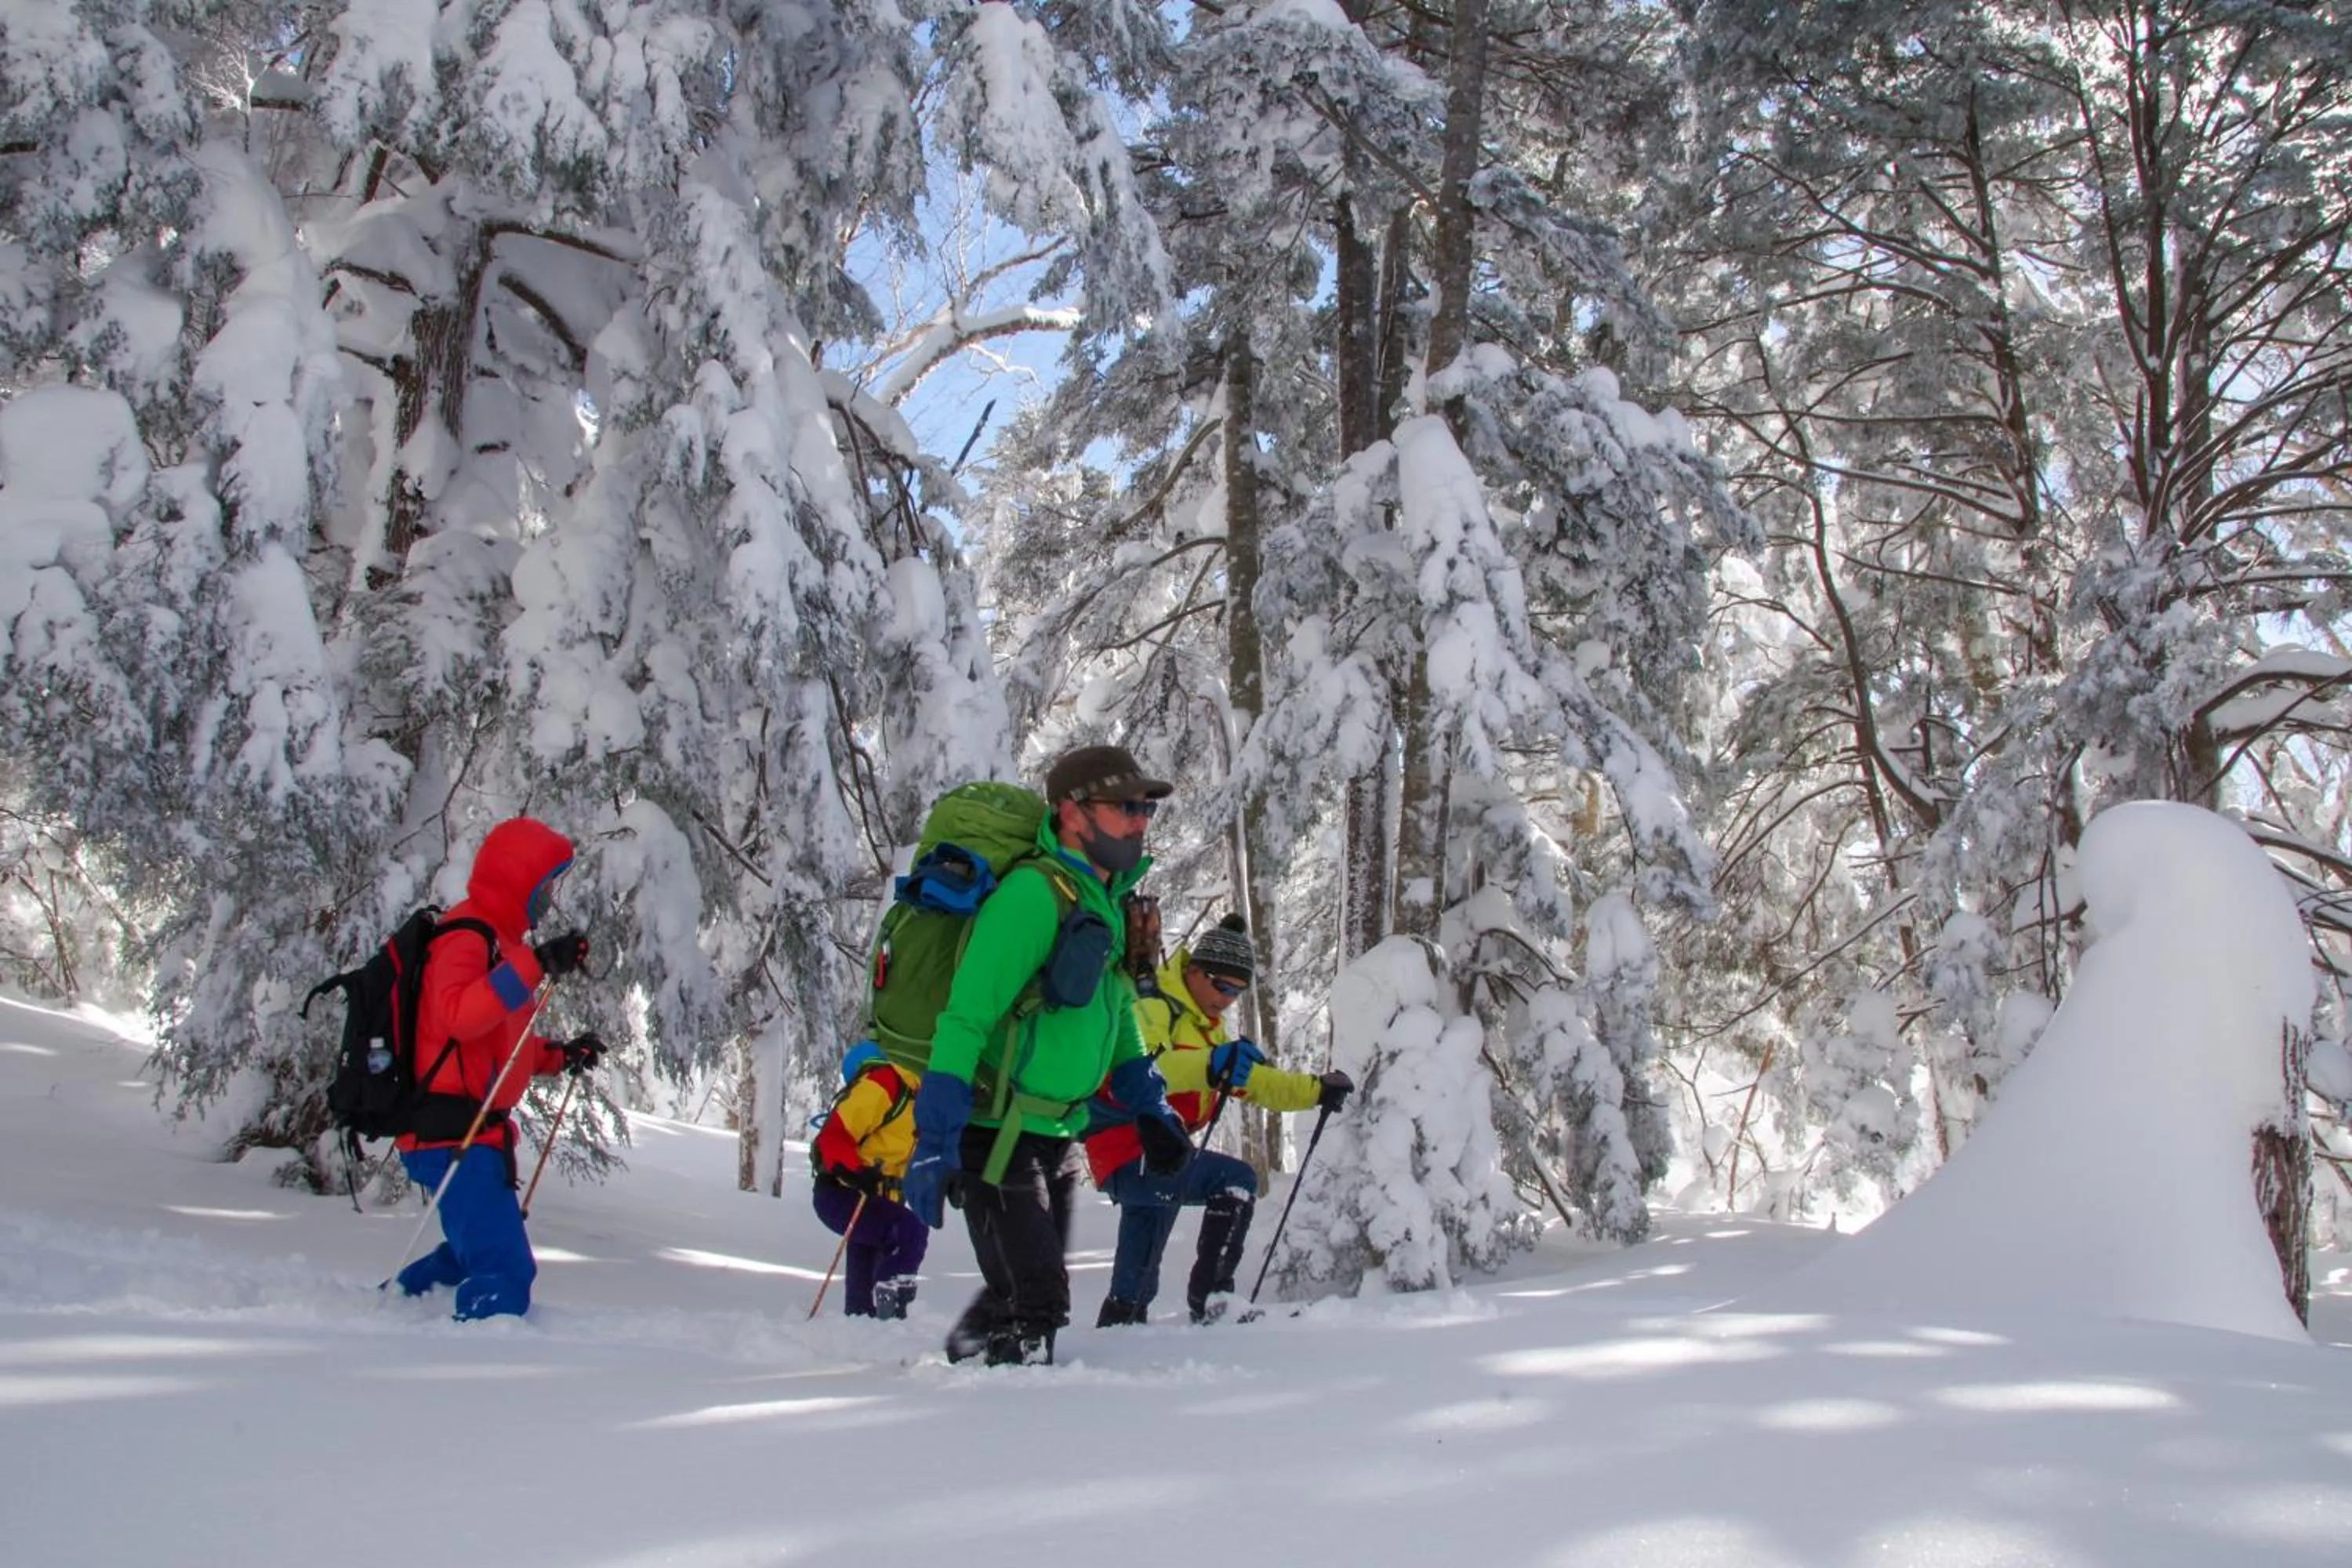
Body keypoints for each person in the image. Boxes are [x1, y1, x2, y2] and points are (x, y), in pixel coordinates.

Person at [898, 744, 1192, 1367]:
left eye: (1146, 809)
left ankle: (959, 1373)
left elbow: (1115, 1015)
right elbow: (966, 1016)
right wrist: (936, 1135)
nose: (1140, 821)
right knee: (1038, 1299)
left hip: (1057, 1133)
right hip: (994, 1131)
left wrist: (1150, 1105)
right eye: (1126, 806)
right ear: (1072, 812)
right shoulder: (1033, 897)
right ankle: (1006, 1413)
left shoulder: (1103, 900)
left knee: (1014, 1293)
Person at [1087, 914, 1353, 1326]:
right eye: (1222, 985)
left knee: (1135, 1283)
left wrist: (1316, 1090)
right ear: (1194, 970)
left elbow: (1257, 1083)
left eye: (1238, 991)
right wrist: (1210, 1064)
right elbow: (1142, 1070)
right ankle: (1214, 1301)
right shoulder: (1154, 1006)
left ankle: (1119, 1327)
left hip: (1162, 1155)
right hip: (1128, 1148)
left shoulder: (1206, 1030)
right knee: (1236, 1181)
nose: (1228, 999)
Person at [394, 816, 602, 1320]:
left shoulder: (502, 944)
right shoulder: (466, 936)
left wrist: (561, 1055)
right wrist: (534, 965)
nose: (548, 898)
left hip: (476, 1133)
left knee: (473, 1252)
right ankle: (480, 1348)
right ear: (517, 880)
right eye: (544, 886)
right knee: (505, 1269)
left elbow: (503, 1048)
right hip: (449, 1131)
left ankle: (397, 1307)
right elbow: (460, 1018)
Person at [809, 1040, 928, 1319]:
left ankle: (862, 1324)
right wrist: (855, 1172)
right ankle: (891, 1305)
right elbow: (835, 1136)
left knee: (866, 1271)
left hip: (871, 1196)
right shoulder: (883, 1083)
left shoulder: (912, 1095)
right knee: (909, 1230)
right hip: (846, 1193)